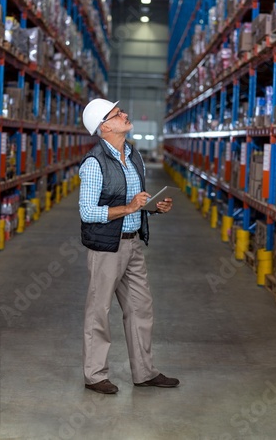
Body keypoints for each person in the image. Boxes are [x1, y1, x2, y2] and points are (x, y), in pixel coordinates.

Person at [78, 98, 180, 394]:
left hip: (133, 243)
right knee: (99, 311)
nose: (124, 114)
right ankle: (95, 375)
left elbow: (137, 202)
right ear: (105, 126)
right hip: (106, 248)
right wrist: (128, 208)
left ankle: (144, 372)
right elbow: (87, 212)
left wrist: (154, 207)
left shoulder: (133, 154)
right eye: (117, 113)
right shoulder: (94, 163)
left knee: (140, 308)